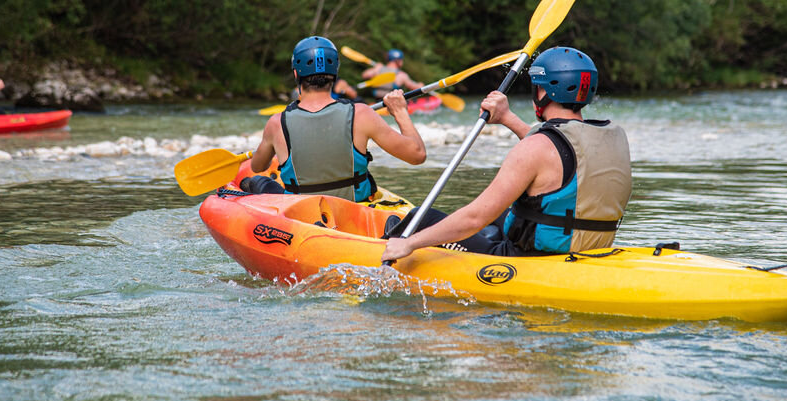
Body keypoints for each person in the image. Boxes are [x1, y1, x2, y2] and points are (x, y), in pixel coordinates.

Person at [381, 46, 631, 262]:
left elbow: (474, 218)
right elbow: (559, 152)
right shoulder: (611, 136)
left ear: (542, 92)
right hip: (589, 247)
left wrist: (410, 244)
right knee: (505, 213)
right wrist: (506, 118)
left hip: (531, 258)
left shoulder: (535, 148)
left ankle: (386, 243)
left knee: (421, 217)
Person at [247, 36, 427, 202]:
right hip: (355, 210)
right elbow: (417, 156)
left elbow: (257, 166)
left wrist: (274, 146)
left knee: (255, 181)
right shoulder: (362, 114)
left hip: (300, 212)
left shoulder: (277, 123)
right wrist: (400, 112)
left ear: (296, 74)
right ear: (335, 73)